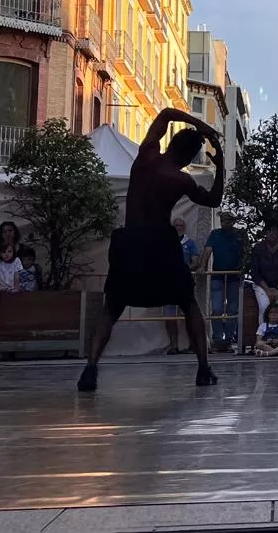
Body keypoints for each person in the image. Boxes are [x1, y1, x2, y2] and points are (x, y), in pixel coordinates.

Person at [80, 108, 227, 392]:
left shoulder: (145, 157)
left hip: (130, 241)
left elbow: (166, 114)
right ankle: (203, 367)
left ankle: (91, 367)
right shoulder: (181, 179)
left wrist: (201, 125)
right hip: (160, 244)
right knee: (188, 303)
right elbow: (214, 199)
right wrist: (219, 165)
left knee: (111, 307)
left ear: (169, 144)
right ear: (187, 159)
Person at [202, 217, 245, 352]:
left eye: (228, 221)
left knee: (233, 310)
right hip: (218, 276)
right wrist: (203, 266)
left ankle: (228, 340)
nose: (225, 223)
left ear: (233, 222)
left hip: (234, 276)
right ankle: (218, 339)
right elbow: (208, 250)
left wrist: (244, 268)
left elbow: (246, 252)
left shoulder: (240, 234)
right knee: (217, 309)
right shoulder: (215, 234)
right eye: (223, 221)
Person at [165, 217, 204, 355]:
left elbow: (196, 261)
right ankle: (173, 345)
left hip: (185, 283)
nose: (179, 228)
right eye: (176, 225)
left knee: (189, 314)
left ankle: (192, 344)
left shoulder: (190, 243)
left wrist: (185, 269)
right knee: (169, 316)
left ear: (185, 227)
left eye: (181, 225)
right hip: (169, 284)